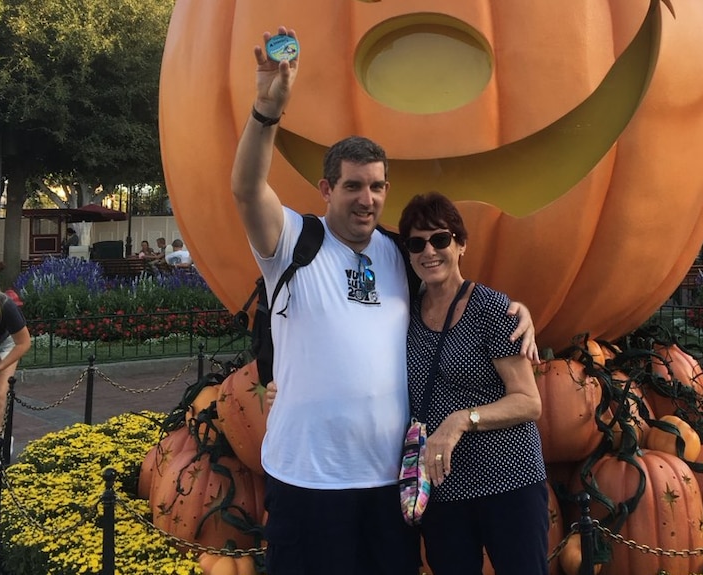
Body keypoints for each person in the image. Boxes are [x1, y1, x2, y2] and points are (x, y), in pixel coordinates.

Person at [232, 27, 536, 575]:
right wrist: (266, 112)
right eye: (352, 186)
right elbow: (248, 189)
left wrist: (518, 311)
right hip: (308, 477)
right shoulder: (294, 242)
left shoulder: (399, 254)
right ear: (327, 189)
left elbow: (453, 290)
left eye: (375, 186)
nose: (366, 198)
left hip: (387, 482)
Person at [399, 192, 548, 575]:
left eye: (440, 239)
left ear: (461, 244)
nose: (429, 251)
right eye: (417, 243)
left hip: (508, 479)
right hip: (443, 487)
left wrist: (461, 420)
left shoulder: (492, 309)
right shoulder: (405, 313)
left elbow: (528, 401)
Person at [0, 291, 32, 457]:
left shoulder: (6, 305)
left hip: (7, 344)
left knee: (0, 394)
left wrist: (1, 366)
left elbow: (24, 343)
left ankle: (1, 441)